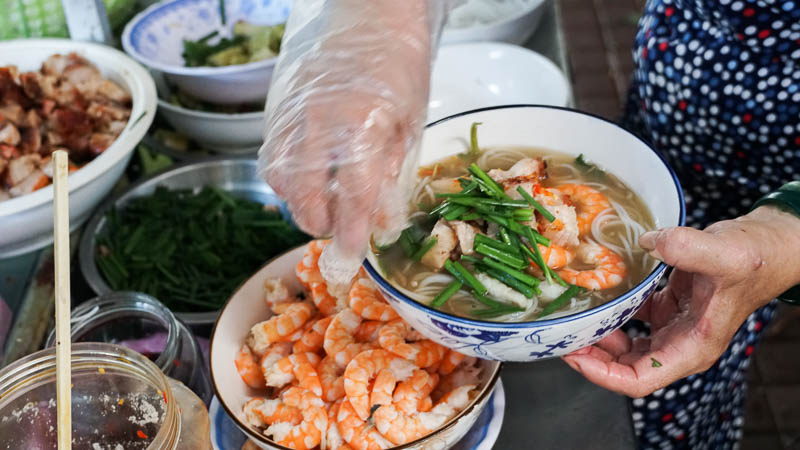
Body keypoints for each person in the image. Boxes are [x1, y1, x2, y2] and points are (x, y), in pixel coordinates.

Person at [257, 0, 800, 448]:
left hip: (777, 188)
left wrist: (782, 240)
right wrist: (386, 16)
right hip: (678, 86)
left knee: (676, 397)